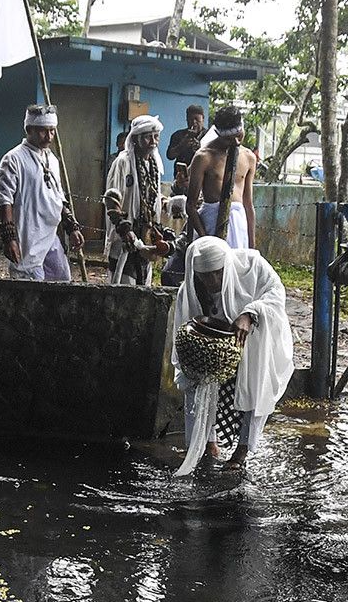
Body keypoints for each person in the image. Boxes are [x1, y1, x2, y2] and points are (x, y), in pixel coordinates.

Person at [171, 237, 294, 473]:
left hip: (252, 344)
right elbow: (185, 324)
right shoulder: (190, 291)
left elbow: (276, 292)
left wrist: (251, 313)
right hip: (213, 350)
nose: (213, 281)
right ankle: (209, 444)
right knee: (199, 386)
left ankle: (242, 451)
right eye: (205, 276)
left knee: (252, 389)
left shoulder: (252, 266)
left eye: (218, 273)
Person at [0, 105, 84, 281]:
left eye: (52, 131)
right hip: (27, 237)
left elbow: (59, 196)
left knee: (62, 281)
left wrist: (71, 227)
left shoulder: (51, 159)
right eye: (43, 131)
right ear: (29, 129)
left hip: (50, 236)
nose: (49, 136)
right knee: (30, 290)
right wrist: (9, 238)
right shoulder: (13, 159)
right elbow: (4, 201)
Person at [104, 114, 166, 285]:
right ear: (136, 139)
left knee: (144, 283)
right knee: (123, 284)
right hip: (126, 235)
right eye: (147, 137)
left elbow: (151, 197)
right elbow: (111, 199)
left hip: (145, 235)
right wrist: (125, 230)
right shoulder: (123, 162)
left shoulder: (153, 163)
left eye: (156, 137)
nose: (153, 141)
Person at [186, 105, 257, 249]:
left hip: (239, 227)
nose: (236, 143)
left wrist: (252, 245)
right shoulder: (203, 157)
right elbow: (191, 205)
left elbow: (248, 205)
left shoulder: (249, 157)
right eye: (229, 139)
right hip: (211, 226)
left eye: (238, 136)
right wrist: (204, 238)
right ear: (219, 134)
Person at [167, 104, 206, 175]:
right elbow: (170, 156)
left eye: (197, 119)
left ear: (203, 119)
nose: (194, 122)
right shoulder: (178, 135)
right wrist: (182, 145)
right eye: (190, 119)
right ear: (186, 120)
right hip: (182, 178)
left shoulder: (209, 136)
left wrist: (200, 148)